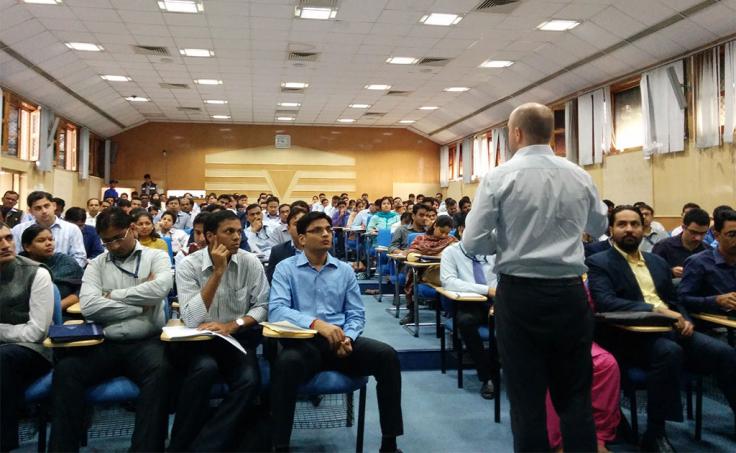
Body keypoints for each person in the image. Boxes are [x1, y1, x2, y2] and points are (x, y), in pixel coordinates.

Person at [463, 103, 607, 451]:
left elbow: (472, 241)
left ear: (515, 133)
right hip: (570, 293)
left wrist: (508, 240)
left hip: (520, 293)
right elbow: (599, 226)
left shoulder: (499, 177)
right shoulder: (579, 174)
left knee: (527, 402)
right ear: (551, 133)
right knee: (575, 396)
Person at [587, 205, 736, 452]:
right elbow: (606, 302)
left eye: (635, 224)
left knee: (724, 353)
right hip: (629, 335)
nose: (629, 229)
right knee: (669, 352)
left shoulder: (656, 262)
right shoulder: (598, 262)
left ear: (643, 229)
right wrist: (656, 310)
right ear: (611, 230)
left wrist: (685, 319)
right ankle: (655, 433)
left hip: (671, 329)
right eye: (622, 224)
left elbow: (676, 300)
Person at [269, 212, 403, 452]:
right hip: (304, 344)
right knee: (285, 364)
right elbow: (277, 311)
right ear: (301, 239)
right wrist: (316, 324)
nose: (325, 234)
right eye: (317, 230)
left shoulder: (344, 270)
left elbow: (356, 314)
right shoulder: (285, 269)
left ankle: (389, 444)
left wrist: (349, 337)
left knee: (387, 356)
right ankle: (280, 445)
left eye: (328, 229)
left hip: (340, 342)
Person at [49, 208, 173, 451]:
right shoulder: (97, 264)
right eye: (107, 241)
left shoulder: (155, 256)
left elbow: (160, 290)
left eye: (118, 237)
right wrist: (140, 307)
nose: (113, 246)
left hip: (146, 341)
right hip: (105, 341)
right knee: (66, 370)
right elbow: (91, 307)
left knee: (162, 373)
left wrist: (113, 295)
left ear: (132, 229)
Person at [171, 210, 268, 451]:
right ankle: (181, 443)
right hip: (199, 340)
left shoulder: (250, 261)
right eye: (229, 232)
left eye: (239, 231)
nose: (237, 237)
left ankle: (204, 446)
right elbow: (192, 319)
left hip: (235, 338)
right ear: (211, 236)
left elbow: (263, 307)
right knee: (204, 369)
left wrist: (233, 325)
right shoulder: (188, 266)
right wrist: (217, 273)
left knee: (249, 381)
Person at [0, 222, 54, 452]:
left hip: (34, 351)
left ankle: (4, 442)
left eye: (9, 238)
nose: (5, 245)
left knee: (2, 358)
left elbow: (36, 332)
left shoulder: (37, 273)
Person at [439, 242, 497, 399]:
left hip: (498, 300)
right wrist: (486, 290)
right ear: (461, 230)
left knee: (516, 320)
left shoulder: (494, 249)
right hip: (470, 302)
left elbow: (505, 276)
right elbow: (449, 282)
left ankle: (505, 369)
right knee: (465, 322)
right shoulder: (451, 252)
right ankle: (487, 377)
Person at [400, 216, 457, 325]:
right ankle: (412, 312)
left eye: (447, 233)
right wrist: (429, 255)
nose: (444, 236)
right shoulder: (420, 239)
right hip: (426, 274)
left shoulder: (451, 240)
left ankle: (455, 320)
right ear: (435, 225)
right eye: (442, 231)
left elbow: (458, 254)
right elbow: (411, 255)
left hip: (447, 273)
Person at [678, 209, 736, 314]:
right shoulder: (698, 262)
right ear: (717, 235)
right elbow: (682, 299)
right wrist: (716, 300)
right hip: (716, 325)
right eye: (732, 235)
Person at [12, 191, 87, 268]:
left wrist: (62, 273)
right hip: (30, 275)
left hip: (64, 276)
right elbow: (15, 257)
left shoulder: (72, 229)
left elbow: (80, 258)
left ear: (54, 206)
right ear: (31, 211)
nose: (44, 211)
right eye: (38, 208)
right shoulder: (19, 230)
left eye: (46, 206)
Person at [20, 225, 83, 311]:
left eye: (51, 239)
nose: (49, 243)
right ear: (27, 247)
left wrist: (59, 305)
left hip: (65, 315)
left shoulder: (66, 262)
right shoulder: (18, 266)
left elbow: (85, 288)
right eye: (41, 240)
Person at [652, 208, 710, 277]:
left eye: (703, 233)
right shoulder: (663, 247)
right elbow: (653, 273)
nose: (698, 238)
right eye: (694, 232)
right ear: (683, 227)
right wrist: (671, 272)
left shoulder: (708, 251)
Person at [266, 207, 307, 284]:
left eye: (304, 224)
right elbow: (272, 281)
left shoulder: (320, 249)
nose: (301, 227)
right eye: (296, 224)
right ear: (288, 228)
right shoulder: (278, 251)